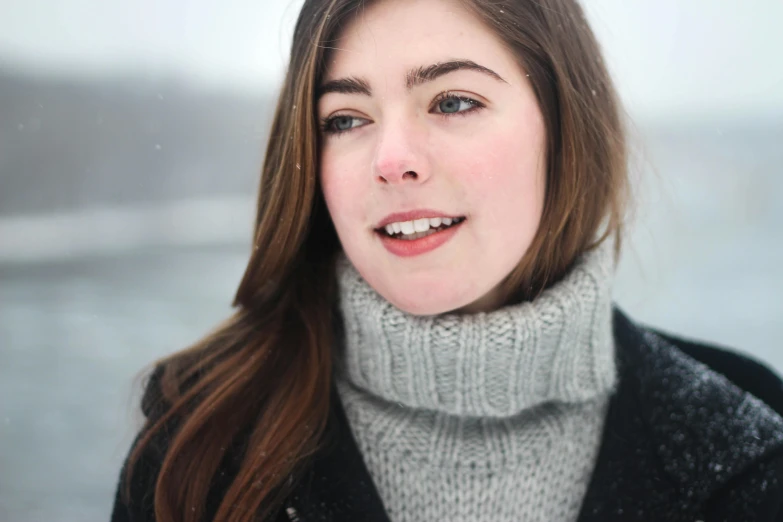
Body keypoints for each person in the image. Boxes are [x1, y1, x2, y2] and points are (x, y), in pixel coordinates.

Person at [110, 0, 783, 520]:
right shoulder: (197, 444)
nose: (391, 159)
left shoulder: (748, 442)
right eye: (344, 119)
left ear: (564, 126)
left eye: (452, 101)